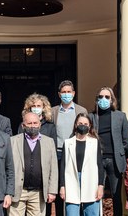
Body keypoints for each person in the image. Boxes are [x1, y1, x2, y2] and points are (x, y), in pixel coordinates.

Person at [89, 86, 128, 216]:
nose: (104, 99)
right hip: (97, 160)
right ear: (96, 100)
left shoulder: (120, 116)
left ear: (112, 100)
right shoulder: (91, 116)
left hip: (114, 161)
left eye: (107, 97)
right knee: (95, 192)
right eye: (101, 97)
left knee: (116, 194)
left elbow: (126, 139)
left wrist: (118, 152)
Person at [9, 111, 58, 216]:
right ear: (23, 125)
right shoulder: (13, 141)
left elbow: (53, 168)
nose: (33, 126)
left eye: (35, 123)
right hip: (18, 191)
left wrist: (52, 190)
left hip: (38, 193)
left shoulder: (49, 142)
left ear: (40, 124)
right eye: (29, 123)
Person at [51, 80, 86, 216]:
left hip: (75, 153)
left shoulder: (81, 110)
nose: (66, 94)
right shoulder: (54, 111)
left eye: (69, 92)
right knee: (61, 187)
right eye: (64, 92)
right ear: (59, 94)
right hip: (59, 153)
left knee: (76, 184)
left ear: (74, 93)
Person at [59, 113, 104, 216]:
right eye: (80, 123)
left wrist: (100, 186)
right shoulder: (67, 143)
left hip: (91, 182)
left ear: (90, 126)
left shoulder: (94, 143)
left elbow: (99, 165)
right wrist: (62, 186)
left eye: (85, 123)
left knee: (92, 213)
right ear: (75, 124)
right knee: (71, 213)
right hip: (71, 181)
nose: (83, 125)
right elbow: (63, 166)